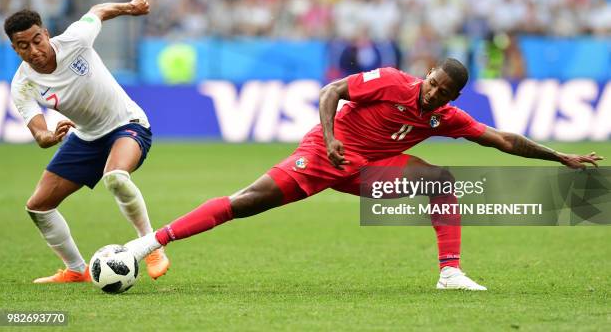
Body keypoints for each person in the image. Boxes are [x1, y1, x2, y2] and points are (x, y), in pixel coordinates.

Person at [125, 60, 602, 290]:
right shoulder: (392, 81)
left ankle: (450, 272)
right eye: (432, 81)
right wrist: (331, 138)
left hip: (369, 171)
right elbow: (332, 90)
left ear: (452, 97)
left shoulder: (445, 119)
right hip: (327, 153)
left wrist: (560, 157)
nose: (433, 92)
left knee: (441, 180)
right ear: (427, 75)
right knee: (246, 202)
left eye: (443, 91)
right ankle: (149, 243)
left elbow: (504, 140)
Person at [5, 0, 170, 283]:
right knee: (38, 206)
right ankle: (76, 270)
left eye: (36, 41)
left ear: (46, 34)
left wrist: (130, 8)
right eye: (23, 46)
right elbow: (39, 132)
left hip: (127, 124)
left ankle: (152, 246)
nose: (33, 50)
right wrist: (48, 136)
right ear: (14, 48)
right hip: (86, 137)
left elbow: (98, 9)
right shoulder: (22, 84)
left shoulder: (74, 39)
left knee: (116, 177)